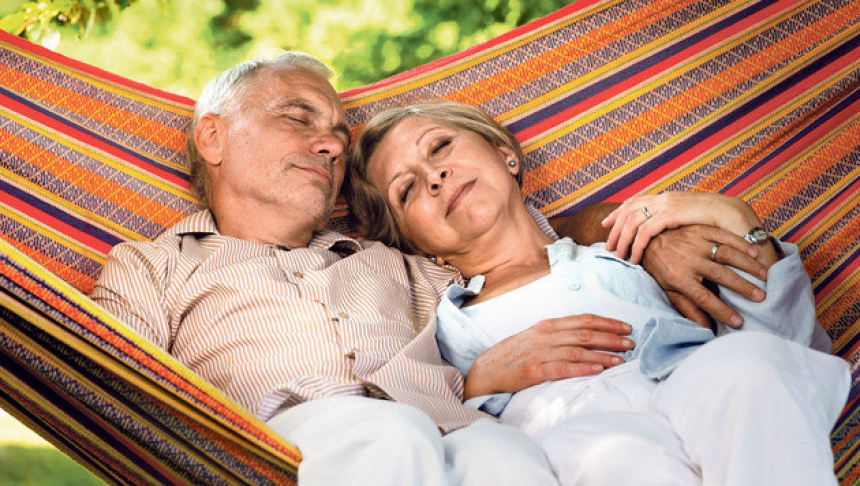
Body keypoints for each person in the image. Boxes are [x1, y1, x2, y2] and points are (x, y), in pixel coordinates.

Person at [92, 53, 773, 485]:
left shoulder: (400, 261)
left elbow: (512, 241)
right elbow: (107, 382)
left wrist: (644, 234)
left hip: (452, 428)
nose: (328, 142)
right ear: (211, 135)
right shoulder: (155, 265)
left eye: (335, 134)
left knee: (509, 459)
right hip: (268, 443)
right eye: (299, 118)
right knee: (390, 432)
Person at [346, 100, 851, 485]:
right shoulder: (445, 318)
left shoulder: (628, 251)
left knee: (752, 367)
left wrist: (736, 218)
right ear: (413, 242)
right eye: (406, 190)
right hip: (572, 427)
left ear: (506, 155)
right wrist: (479, 384)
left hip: (685, 379)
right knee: (619, 458)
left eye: (439, 148)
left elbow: (784, 343)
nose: (434, 176)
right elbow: (435, 428)